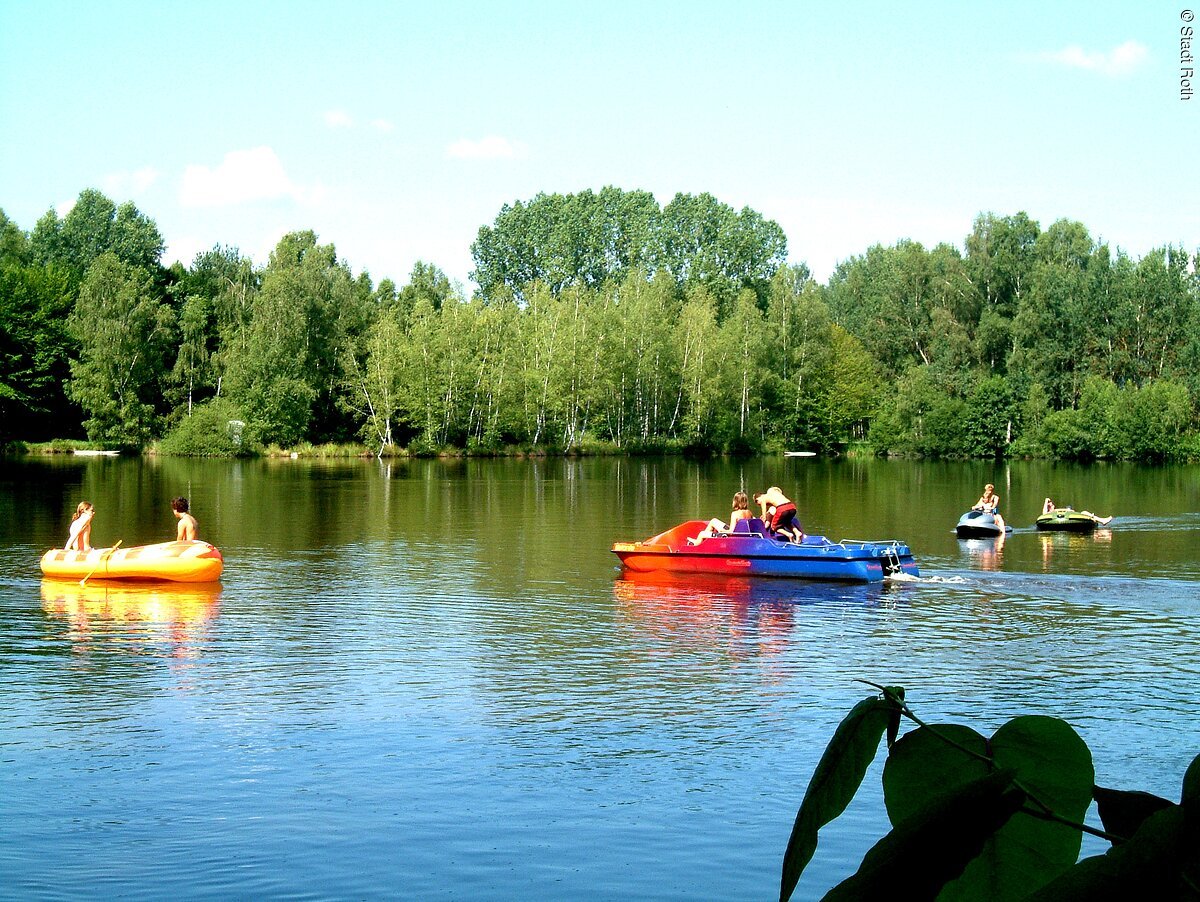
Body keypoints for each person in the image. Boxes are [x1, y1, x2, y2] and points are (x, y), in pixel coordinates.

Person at [688, 491, 753, 544]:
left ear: (736, 502)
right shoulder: (749, 512)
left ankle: (697, 543)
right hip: (742, 535)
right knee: (713, 521)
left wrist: (722, 531)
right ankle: (705, 541)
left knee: (702, 533)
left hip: (732, 537)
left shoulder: (735, 514)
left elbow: (731, 532)